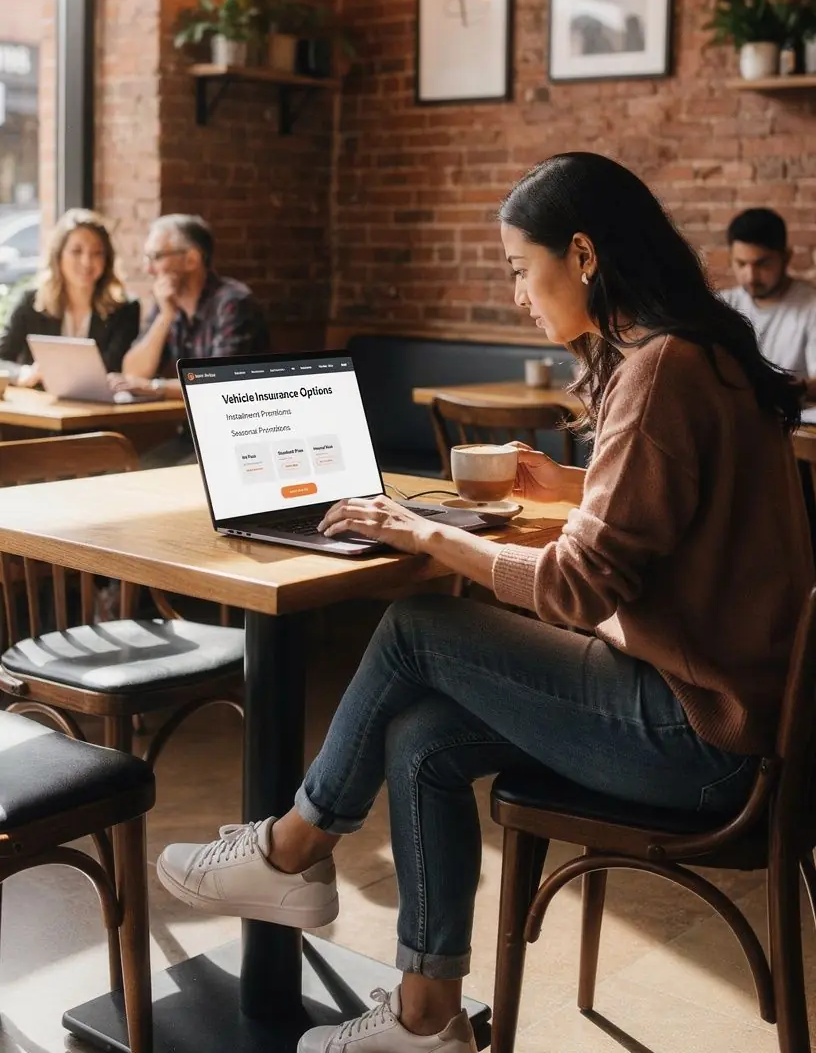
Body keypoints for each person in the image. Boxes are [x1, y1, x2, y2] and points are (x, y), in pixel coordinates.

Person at [157, 154, 813, 1053]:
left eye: (517, 266)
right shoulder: (703, 351)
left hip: (700, 739)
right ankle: (427, 1021)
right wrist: (570, 486)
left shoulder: (660, 369)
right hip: (743, 724)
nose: (515, 293)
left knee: (419, 625)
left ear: (582, 255)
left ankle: (292, 850)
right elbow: (689, 510)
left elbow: (578, 591)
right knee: (420, 736)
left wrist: (425, 533)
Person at [116, 213, 269, 466]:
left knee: (151, 479)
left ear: (191, 259)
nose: (148, 269)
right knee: (130, 472)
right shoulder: (168, 304)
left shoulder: (233, 303)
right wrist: (165, 316)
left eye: (156, 257)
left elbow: (217, 387)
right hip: (194, 437)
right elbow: (132, 371)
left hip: (238, 440)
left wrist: (156, 388)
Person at [0, 207, 140, 385]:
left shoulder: (125, 309)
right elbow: (2, 360)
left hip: (99, 407)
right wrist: (23, 373)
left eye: (97, 253)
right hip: (40, 405)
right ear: (58, 256)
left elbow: (114, 368)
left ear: (107, 260)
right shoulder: (32, 301)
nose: (86, 262)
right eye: (76, 251)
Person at [722, 207, 816, 397]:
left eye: (762, 264)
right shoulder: (724, 305)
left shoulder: (811, 306)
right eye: (741, 264)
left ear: (786, 257)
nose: (751, 276)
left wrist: (786, 391)